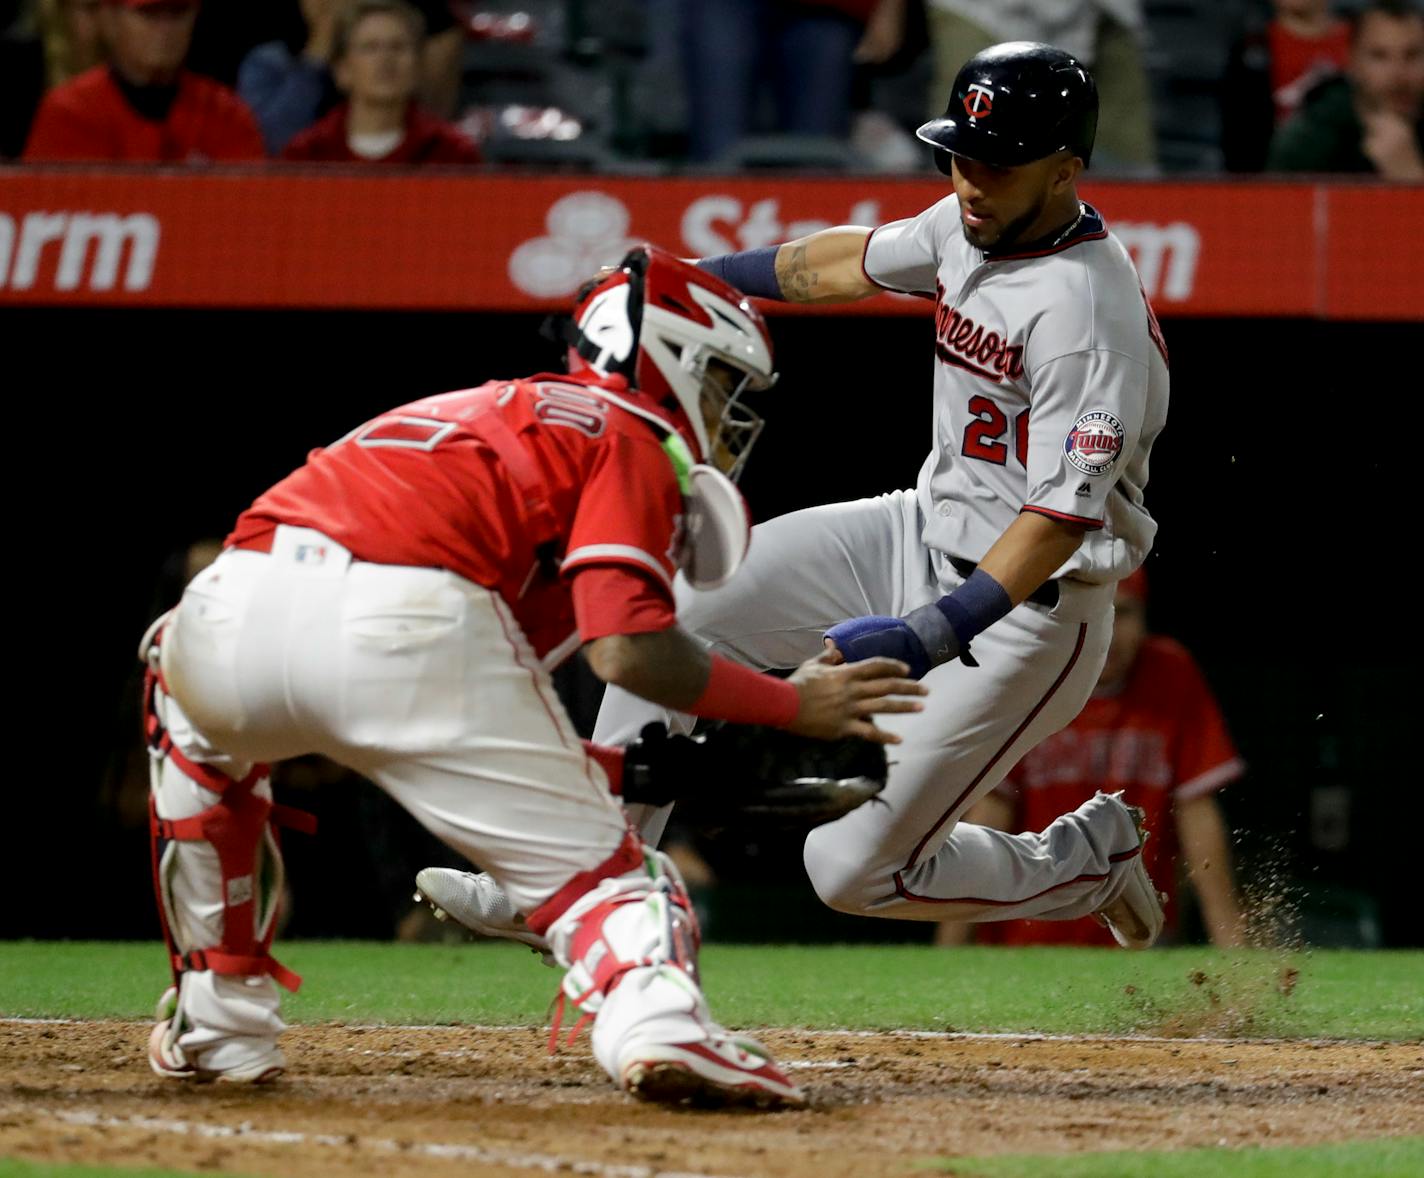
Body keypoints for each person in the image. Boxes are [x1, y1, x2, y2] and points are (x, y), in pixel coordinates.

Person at [419, 43, 1171, 960]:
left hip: (1027, 612)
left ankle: (1082, 864)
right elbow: (845, 263)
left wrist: (935, 630)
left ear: (1065, 171)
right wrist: (692, 281)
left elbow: (1058, 520)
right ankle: (578, 887)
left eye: (998, 163)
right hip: (917, 526)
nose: (971, 181)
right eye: (960, 156)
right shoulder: (973, 217)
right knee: (680, 620)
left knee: (851, 871)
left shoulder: (1091, 320)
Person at [140, 245, 924, 1107]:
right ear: (670, 355)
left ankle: (219, 1025)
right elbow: (624, 648)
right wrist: (790, 705)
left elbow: (465, 721)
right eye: (720, 387)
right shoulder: (628, 431)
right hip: (407, 618)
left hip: (223, 610)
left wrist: (636, 770)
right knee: (616, 878)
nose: (725, 418)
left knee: (195, 747)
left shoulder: (477, 407)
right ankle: (658, 1022)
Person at [935, 569, 1247, 948]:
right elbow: (991, 812)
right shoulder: (1032, 673)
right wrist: (950, 945)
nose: (1112, 630)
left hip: (1140, 934)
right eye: (1100, 613)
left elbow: (1196, 811)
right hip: (1028, 937)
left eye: (1125, 612)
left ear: (1146, 617)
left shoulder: (1169, 673)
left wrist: (1231, 938)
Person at [23, 0, 263, 162]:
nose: (165, 29)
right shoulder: (70, 111)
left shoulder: (226, 112)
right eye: (148, 13)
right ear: (109, 18)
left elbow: (252, 207)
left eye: (177, 13)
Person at [281, 0, 479, 164]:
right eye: (370, 47)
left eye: (398, 47)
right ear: (342, 70)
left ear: (418, 65)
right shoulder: (307, 154)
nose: (385, 60)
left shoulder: (452, 153)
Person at [1267, 0, 1424, 179]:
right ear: (1352, 60)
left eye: (1413, 55)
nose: (1398, 75)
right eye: (1379, 56)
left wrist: (1413, 177)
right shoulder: (1310, 139)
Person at [1221, 0, 1351, 173]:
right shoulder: (1249, 50)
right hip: (1271, 183)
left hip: (1351, 181)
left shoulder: (1365, 42)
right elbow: (1239, 142)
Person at [236, 0, 342, 156]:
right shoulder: (266, 63)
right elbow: (268, 143)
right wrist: (314, 62)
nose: (327, 3)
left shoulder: (381, 61)